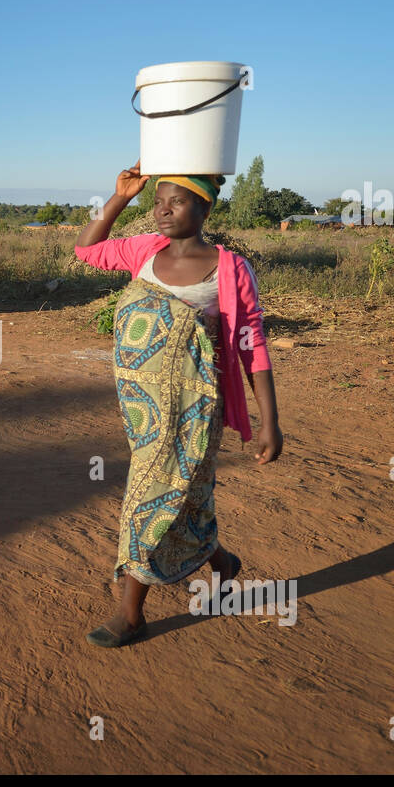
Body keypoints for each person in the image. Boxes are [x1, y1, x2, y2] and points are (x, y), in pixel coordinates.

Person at [76, 160, 283, 647]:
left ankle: (131, 615)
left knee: (148, 494)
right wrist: (121, 197)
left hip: (196, 406)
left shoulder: (230, 269)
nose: (163, 212)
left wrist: (268, 421)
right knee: (186, 494)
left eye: (177, 201)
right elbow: (86, 251)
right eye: (158, 203)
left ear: (205, 205)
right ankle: (220, 559)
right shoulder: (145, 250)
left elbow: (252, 344)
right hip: (143, 407)